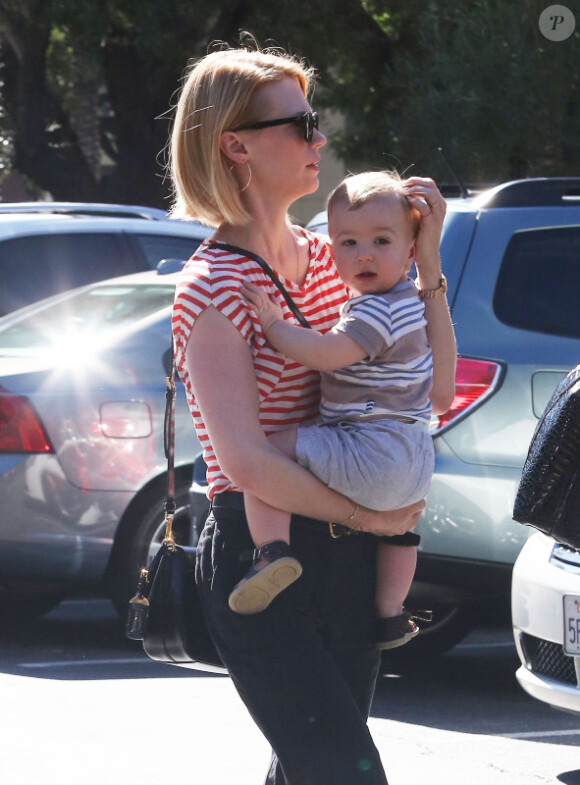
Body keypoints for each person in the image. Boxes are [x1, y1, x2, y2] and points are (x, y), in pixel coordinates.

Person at [170, 43, 455, 785]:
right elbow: (245, 460)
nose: (319, 138)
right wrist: (374, 519)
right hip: (262, 560)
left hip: (348, 557)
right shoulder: (212, 286)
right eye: (300, 124)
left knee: (309, 772)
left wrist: (428, 269)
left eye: (314, 120)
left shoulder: (338, 256)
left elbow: (428, 381)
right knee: (344, 771)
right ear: (237, 145)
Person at [231, 170, 453, 651]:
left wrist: (272, 323)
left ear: (411, 250)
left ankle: (271, 552)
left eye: (381, 240)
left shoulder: (373, 310)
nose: (365, 253)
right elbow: (443, 393)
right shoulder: (414, 302)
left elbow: (326, 354)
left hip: (368, 448)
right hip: (414, 458)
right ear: (331, 252)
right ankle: (391, 613)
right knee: (400, 533)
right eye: (348, 242)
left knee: (265, 457)